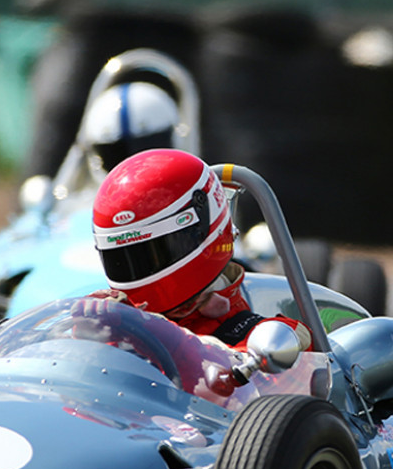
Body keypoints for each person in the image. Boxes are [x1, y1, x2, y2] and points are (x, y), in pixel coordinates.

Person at [82, 148, 313, 351]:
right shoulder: (108, 320)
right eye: (124, 259)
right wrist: (89, 334)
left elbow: (283, 361)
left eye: (153, 253)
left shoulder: (269, 338)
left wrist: (154, 334)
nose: (139, 267)